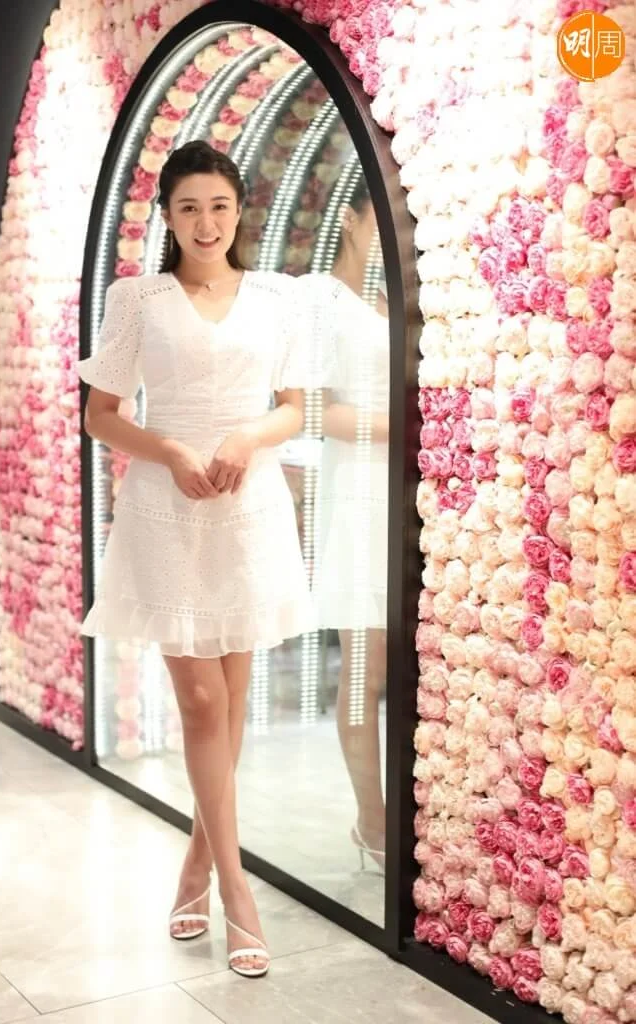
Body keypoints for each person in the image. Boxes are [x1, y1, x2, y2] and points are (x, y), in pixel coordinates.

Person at [77, 140, 318, 978]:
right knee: (204, 701)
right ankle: (238, 891)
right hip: (166, 509)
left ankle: (195, 868)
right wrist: (173, 450)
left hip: (249, 509)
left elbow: (293, 409)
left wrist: (248, 436)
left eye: (218, 206)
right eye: (188, 208)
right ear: (168, 218)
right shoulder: (137, 299)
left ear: (239, 210)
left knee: (234, 698)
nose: (206, 223)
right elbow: (101, 415)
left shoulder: (278, 297)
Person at [311, 179, 389, 874]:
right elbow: (313, 411)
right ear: (349, 218)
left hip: (409, 497)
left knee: (404, 668)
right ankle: (372, 822)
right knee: (364, 667)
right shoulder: (322, 301)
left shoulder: (394, 297)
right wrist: (403, 427)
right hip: (359, 495)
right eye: (378, 216)